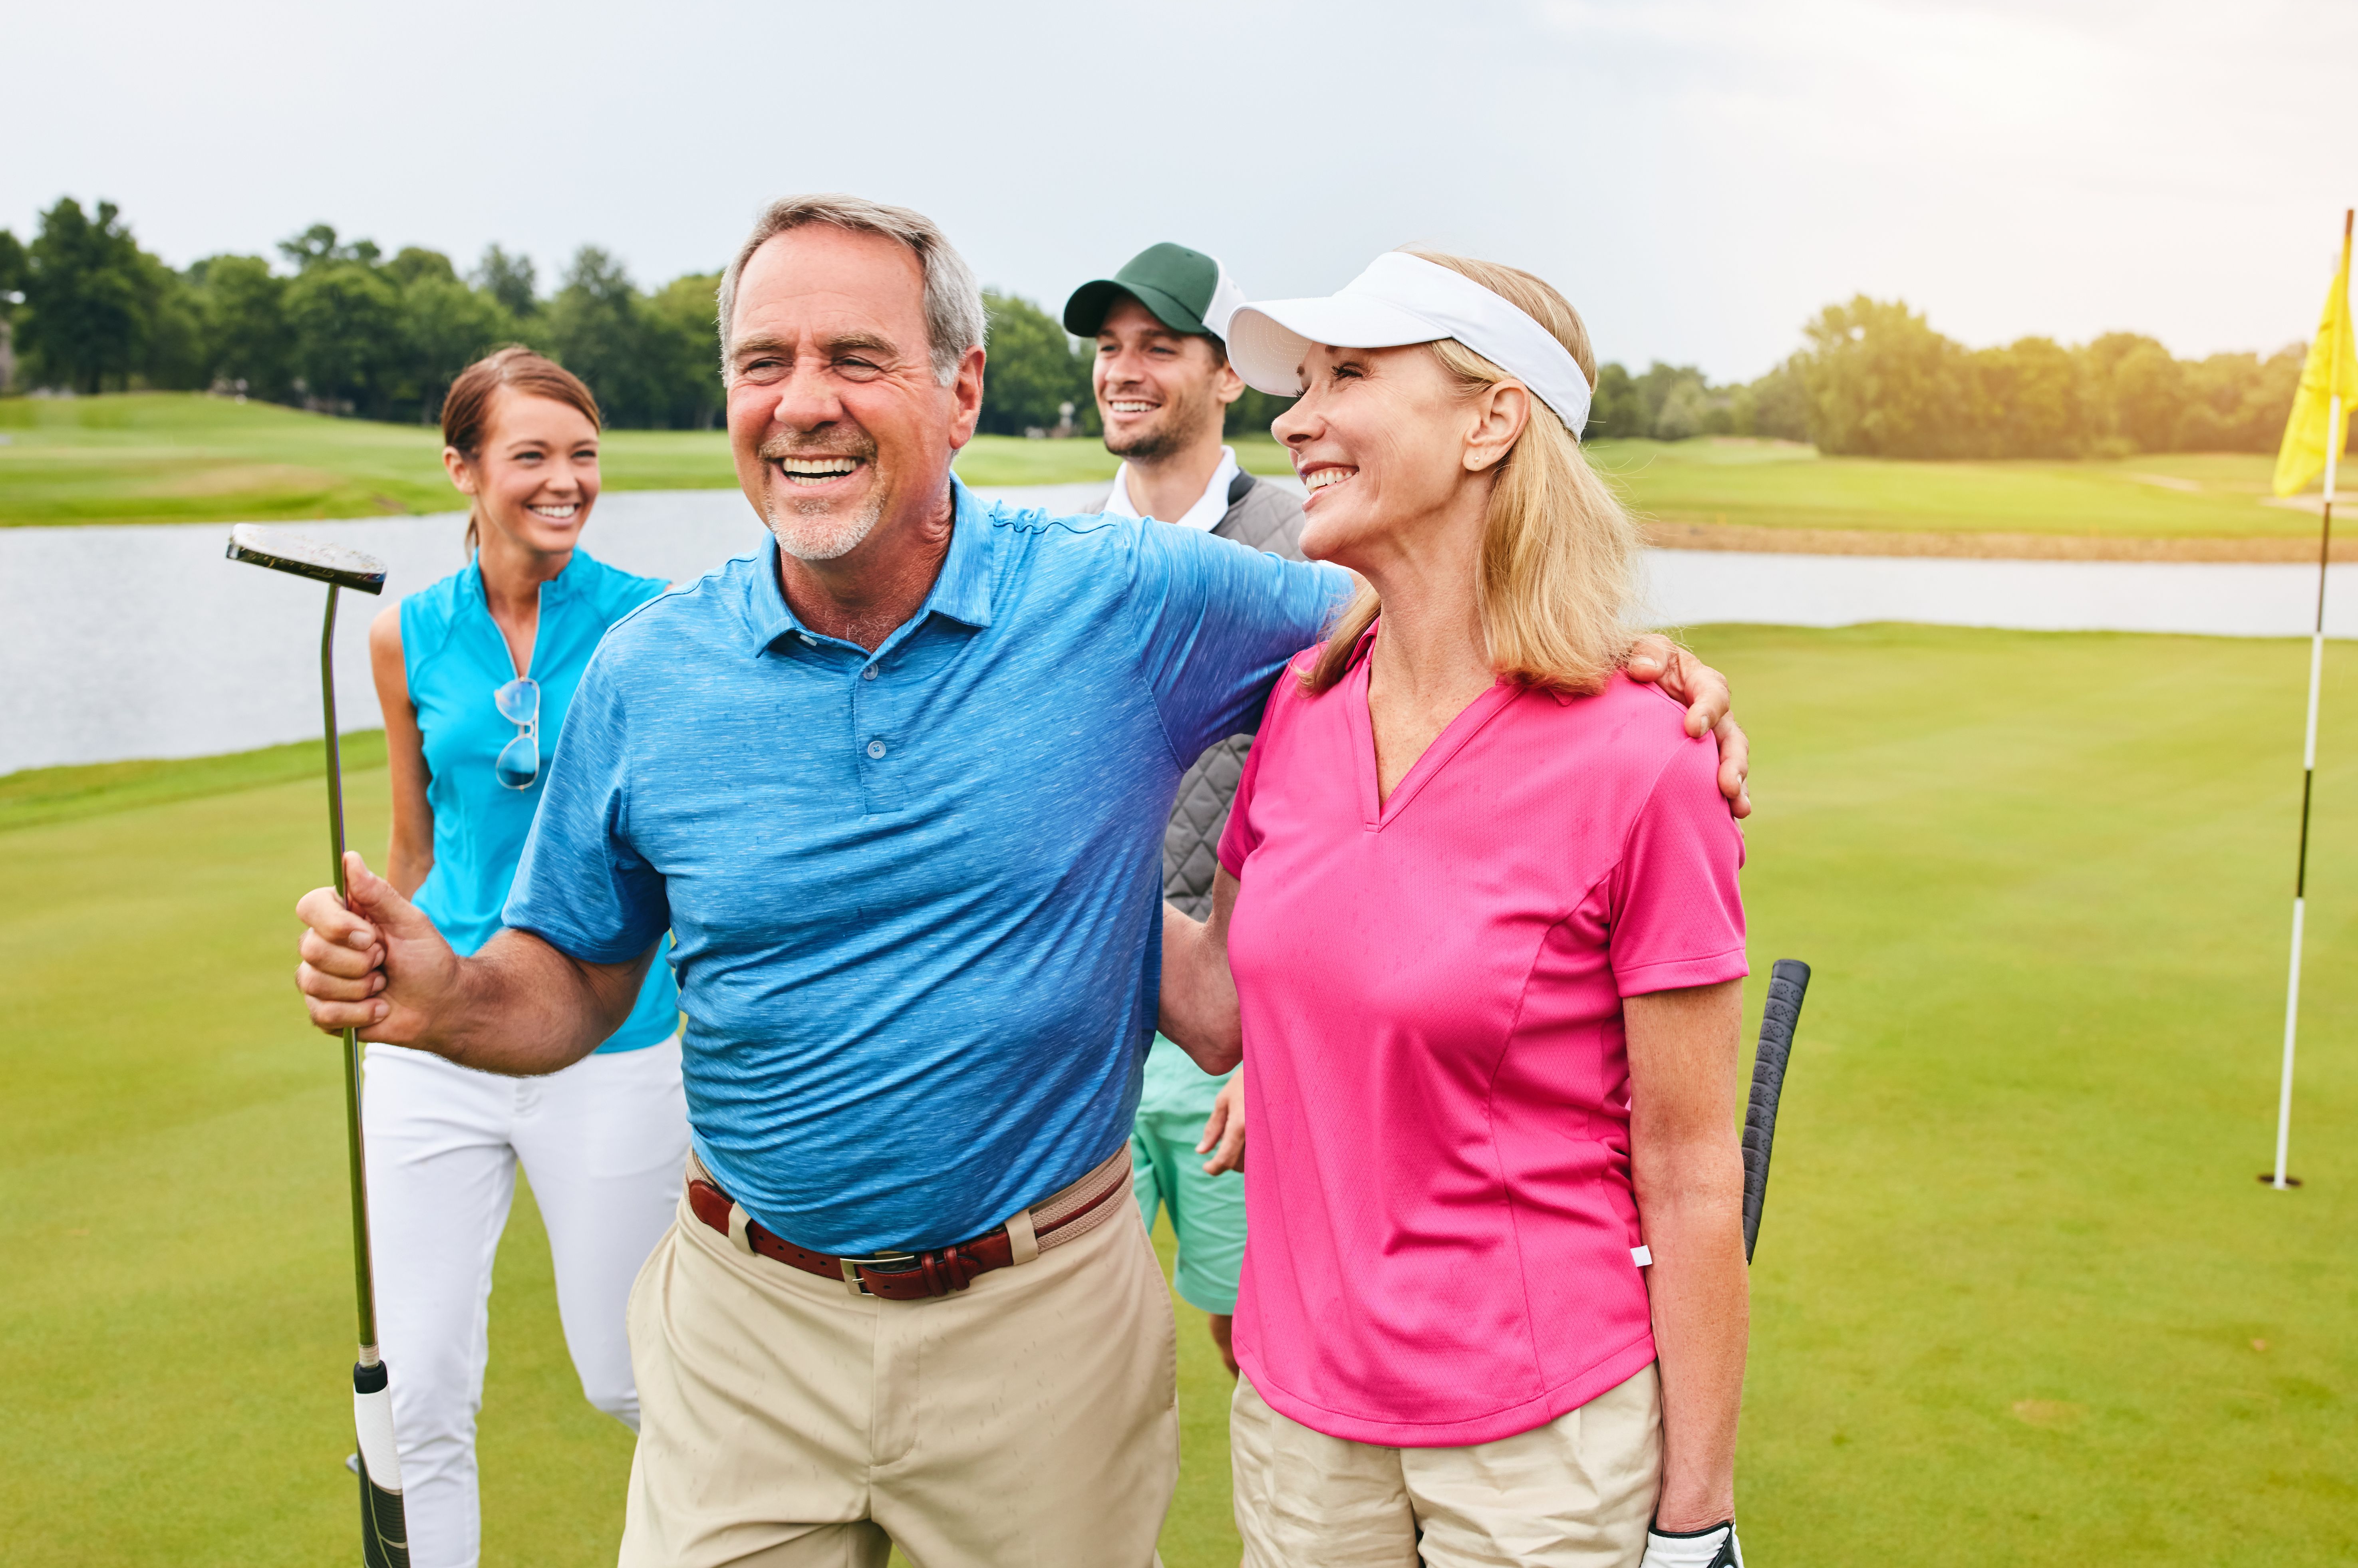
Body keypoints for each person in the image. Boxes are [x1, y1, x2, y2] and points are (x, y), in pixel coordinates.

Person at [292, 195, 1748, 1568]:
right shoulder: (648, 669)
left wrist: (1631, 663)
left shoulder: (1133, 598)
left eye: (858, 358)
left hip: (1045, 1320)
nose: (803, 401)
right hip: (747, 1317)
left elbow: (1439, 610)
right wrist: (454, 995)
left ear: (962, 395)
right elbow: (573, 979)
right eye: (764, 363)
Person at [1161, 251, 1754, 1568]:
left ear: (1491, 421)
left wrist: (1695, 1522)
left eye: (1350, 377)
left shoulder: (1647, 760)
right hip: (1301, 1428)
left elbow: (1693, 1170)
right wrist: (1024, 838)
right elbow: (1216, 1013)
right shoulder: (1300, 709)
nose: (1296, 419)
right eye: (1301, 384)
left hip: (1540, 1446)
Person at [361, 345, 687, 1568]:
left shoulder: (652, 622)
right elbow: (413, 841)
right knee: (420, 1389)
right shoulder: (403, 634)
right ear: (463, 470)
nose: (566, 481)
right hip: (436, 1036)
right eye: (532, 456)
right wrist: (364, 941)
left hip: (609, 1037)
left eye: (584, 455)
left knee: (627, 1378)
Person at [1063, 241, 1299, 1375]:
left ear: (1229, 376)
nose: (1126, 369)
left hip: (1243, 1024)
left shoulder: (1307, 543)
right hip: (1078, 1021)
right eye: (1111, 349)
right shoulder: (1053, 559)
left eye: (1162, 346)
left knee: (1246, 1326)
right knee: (1061, 1341)